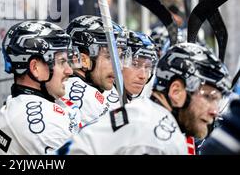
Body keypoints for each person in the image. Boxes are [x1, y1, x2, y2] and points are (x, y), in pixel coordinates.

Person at [58, 42, 230, 155]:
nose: (214, 110)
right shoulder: (163, 139)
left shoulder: (142, 110)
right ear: (176, 91)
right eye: (208, 96)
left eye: (217, 99)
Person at [0, 21, 81, 155]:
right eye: (61, 62)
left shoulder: (21, 104)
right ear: (35, 68)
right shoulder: (41, 123)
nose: (69, 71)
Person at [63, 15, 127, 124]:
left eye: (119, 57)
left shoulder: (99, 87)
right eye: (109, 57)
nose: (119, 67)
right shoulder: (86, 98)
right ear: (83, 60)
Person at [106, 30, 158, 107]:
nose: (143, 76)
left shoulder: (139, 104)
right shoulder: (101, 105)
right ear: (118, 63)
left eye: (147, 67)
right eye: (135, 64)